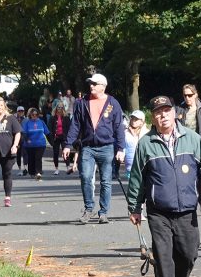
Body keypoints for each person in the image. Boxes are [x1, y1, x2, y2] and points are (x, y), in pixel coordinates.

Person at [126, 96, 201, 277]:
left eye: (166, 111)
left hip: (186, 209)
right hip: (158, 211)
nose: (163, 115)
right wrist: (135, 207)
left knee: (188, 254)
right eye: (158, 112)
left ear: (175, 113)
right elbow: (137, 178)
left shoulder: (192, 139)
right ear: (153, 118)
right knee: (163, 257)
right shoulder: (146, 144)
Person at [63, 73, 126, 224]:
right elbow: (75, 125)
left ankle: (103, 212)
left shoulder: (113, 103)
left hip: (107, 147)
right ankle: (88, 208)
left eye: (94, 83)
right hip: (87, 147)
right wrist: (68, 145)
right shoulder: (82, 102)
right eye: (90, 83)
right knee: (85, 177)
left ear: (103, 86)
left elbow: (119, 127)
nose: (91, 86)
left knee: (106, 181)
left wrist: (120, 148)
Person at [21, 108, 50, 180]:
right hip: (30, 145)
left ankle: (38, 172)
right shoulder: (27, 123)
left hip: (40, 144)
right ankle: (31, 172)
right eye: (33, 114)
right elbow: (24, 133)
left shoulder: (41, 122)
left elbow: (47, 132)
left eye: (36, 115)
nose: (34, 116)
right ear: (30, 115)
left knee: (38, 158)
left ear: (38, 115)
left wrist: (52, 142)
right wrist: (27, 139)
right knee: (31, 159)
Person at [48, 105, 72, 175]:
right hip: (56, 138)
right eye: (58, 107)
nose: (59, 109)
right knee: (55, 153)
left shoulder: (66, 117)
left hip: (64, 137)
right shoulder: (52, 117)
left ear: (63, 109)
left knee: (65, 152)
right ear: (56, 108)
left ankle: (68, 167)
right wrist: (51, 139)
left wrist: (69, 138)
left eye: (61, 108)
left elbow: (69, 128)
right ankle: (56, 169)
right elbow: (49, 128)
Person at [123, 109, 149, 173]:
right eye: (132, 118)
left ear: (142, 121)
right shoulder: (125, 132)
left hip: (144, 167)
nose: (133, 121)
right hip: (129, 166)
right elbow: (123, 146)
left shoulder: (147, 133)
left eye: (136, 119)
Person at [14, 105, 27, 174]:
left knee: (25, 153)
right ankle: (19, 169)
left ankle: (25, 168)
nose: (21, 112)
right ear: (17, 112)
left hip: (24, 138)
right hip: (17, 138)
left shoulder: (26, 119)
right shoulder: (14, 119)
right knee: (18, 154)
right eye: (19, 111)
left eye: (22, 111)